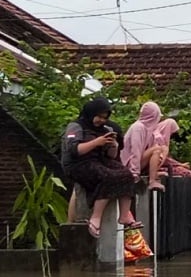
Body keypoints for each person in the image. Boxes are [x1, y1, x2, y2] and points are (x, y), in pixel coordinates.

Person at [61, 97, 141, 238]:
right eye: (98, 116)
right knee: (106, 176)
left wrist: (113, 145)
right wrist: (96, 142)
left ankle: (125, 216)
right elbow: (74, 151)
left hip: (99, 160)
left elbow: (111, 156)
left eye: (104, 118)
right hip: (78, 163)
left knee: (127, 175)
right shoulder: (76, 127)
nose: (101, 121)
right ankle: (96, 218)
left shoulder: (106, 129)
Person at [121, 101, 168, 191]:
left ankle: (152, 174)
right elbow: (136, 151)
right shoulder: (138, 128)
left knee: (158, 149)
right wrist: (134, 173)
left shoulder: (148, 130)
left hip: (135, 164)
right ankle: (152, 181)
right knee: (156, 149)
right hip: (127, 165)